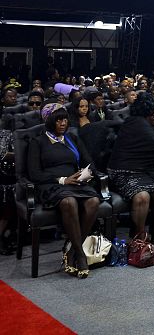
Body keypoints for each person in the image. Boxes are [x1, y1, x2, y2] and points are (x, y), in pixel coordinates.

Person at [28, 103, 100, 278]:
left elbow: (88, 161)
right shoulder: (37, 142)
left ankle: (72, 250)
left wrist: (86, 174)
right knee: (69, 202)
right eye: (58, 120)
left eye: (65, 120)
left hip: (75, 183)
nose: (63, 123)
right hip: (51, 184)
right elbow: (34, 174)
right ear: (50, 121)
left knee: (94, 201)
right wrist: (62, 180)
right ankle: (80, 255)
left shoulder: (71, 138)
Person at [107, 92, 154, 256]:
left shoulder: (146, 123)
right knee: (142, 197)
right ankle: (138, 239)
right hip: (122, 172)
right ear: (149, 110)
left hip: (142, 171)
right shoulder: (137, 123)